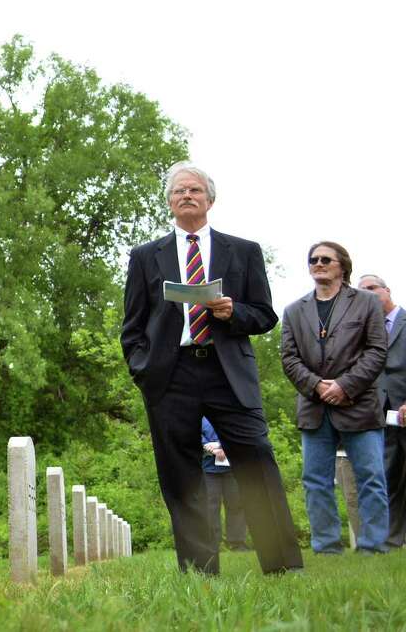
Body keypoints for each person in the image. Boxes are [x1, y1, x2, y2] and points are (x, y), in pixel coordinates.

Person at [121, 160, 302, 575]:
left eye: (195, 190)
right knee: (182, 476)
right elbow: (132, 325)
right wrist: (142, 369)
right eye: (178, 191)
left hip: (228, 373)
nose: (186, 196)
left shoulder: (243, 251)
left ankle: (283, 567)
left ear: (210, 199)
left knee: (257, 462)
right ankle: (201, 572)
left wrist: (233, 312)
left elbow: (264, 316)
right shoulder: (146, 256)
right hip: (170, 375)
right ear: (168, 202)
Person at [281, 244, 388, 553]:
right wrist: (316, 385)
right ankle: (327, 548)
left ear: (342, 266)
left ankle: (373, 547)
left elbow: (377, 350)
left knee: (371, 478)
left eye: (326, 259)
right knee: (316, 482)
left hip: (359, 405)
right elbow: (289, 359)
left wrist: (344, 385)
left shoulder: (367, 302)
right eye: (313, 260)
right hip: (314, 407)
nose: (318, 264)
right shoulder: (293, 310)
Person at [358, 274, 406, 548]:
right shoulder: (364, 330)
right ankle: (391, 539)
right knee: (386, 477)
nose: (367, 293)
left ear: (387, 290)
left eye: (372, 288)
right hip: (380, 415)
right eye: (362, 291)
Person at [200, 417, 249, 551]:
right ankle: (213, 544)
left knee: (236, 504)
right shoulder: (200, 416)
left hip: (233, 468)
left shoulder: (227, 412)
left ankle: (237, 543)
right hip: (207, 469)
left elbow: (238, 431)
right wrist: (210, 448)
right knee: (210, 507)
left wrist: (220, 446)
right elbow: (192, 433)